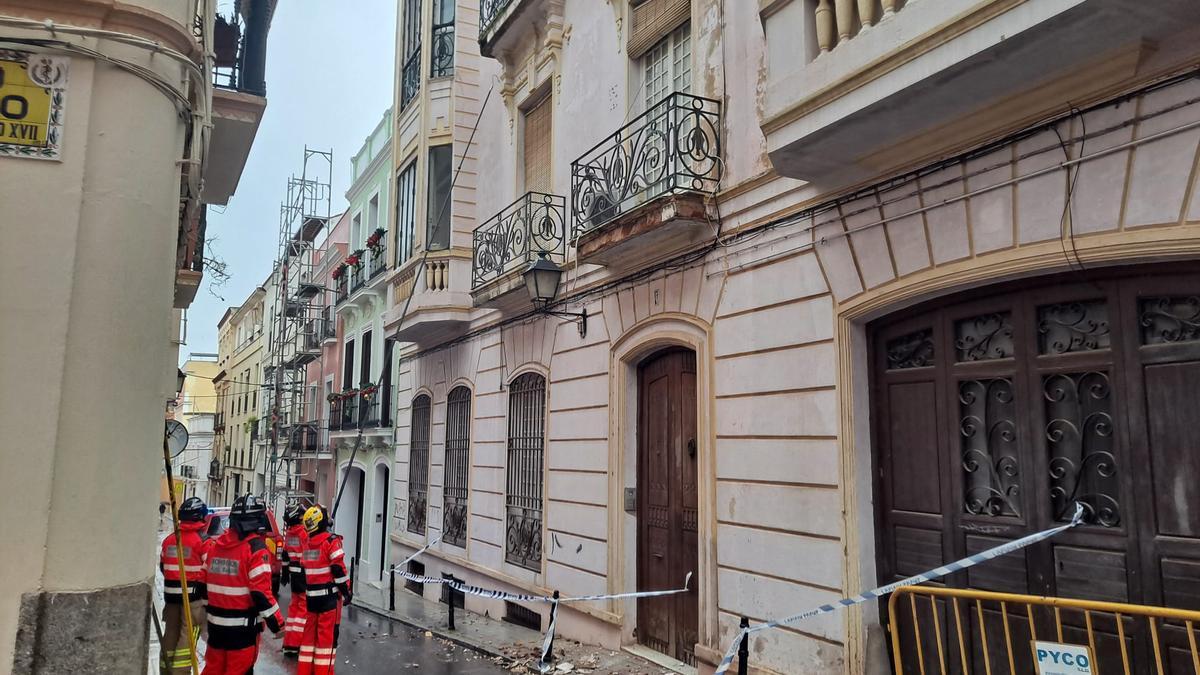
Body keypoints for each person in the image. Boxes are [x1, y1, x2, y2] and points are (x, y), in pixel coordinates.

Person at [202, 494, 284, 674]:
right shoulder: (256, 550)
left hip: (215, 627)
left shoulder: (215, 547)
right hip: (242, 631)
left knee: (213, 670)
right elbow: (261, 594)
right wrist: (278, 624)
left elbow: (203, 583)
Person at [297, 505, 351, 675]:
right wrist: (347, 591)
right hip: (329, 600)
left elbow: (305, 568)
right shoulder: (331, 541)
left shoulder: (306, 544)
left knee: (308, 642)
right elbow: (338, 569)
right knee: (326, 644)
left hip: (311, 599)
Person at [160, 496, 210, 674]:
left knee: (170, 633)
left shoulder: (169, 540)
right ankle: (180, 672)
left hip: (170, 597)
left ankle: (165, 670)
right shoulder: (203, 542)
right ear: (199, 518)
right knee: (188, 635)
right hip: (192, 598)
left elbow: (162, 566)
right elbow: (207, 571)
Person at [279, 502, 310, 657]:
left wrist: (284, 574)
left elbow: (285, 555)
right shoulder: (303, 533)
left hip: (293, 576)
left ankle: (288, 643)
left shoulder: (290, 534)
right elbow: (308, 555)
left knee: (293, 610)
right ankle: (296, 644)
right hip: (303, 577)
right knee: (302, 612)